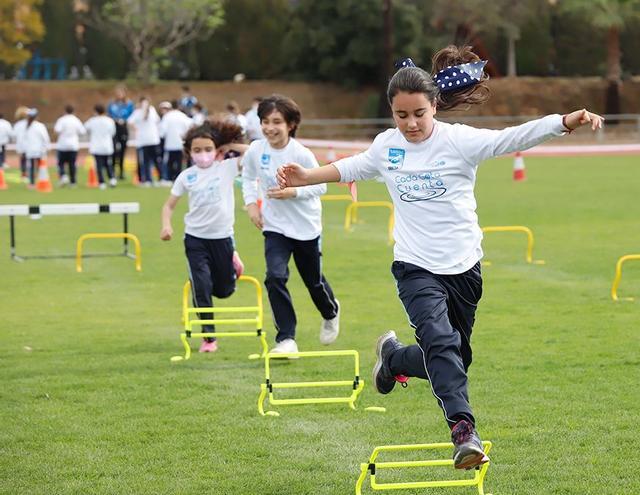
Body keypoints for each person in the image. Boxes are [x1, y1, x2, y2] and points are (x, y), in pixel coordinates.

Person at [274, 46, 604, 470]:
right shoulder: (387, 147)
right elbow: (352, 167)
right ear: (391, 113)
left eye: (418, 114)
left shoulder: (459, 141)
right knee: (442, 344)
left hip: (464, 266)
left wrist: (562, 122)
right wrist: (306, 177)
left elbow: (512, 137)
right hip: (415, 266)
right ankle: (464, 432)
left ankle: (393, 358)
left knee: (454, 358)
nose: (410, 124)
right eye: (400, 115)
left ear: (434, 107)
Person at [241, 95, 340, 356]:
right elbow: (248, 178)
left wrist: (293, 192)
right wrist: (252, 205)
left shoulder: (300, 153)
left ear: (291, 124)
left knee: (313, 282)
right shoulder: (255, 150)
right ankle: (286, 339)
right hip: (275, 227)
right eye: (264, 121)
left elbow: (322, 186)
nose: (269, 128)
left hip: (306, 227)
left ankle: (331, 311)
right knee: (274, 277)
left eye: (276, 122)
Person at [160, 120, 249, 353]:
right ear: (189, 153)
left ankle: (233, 261)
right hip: (195, 239)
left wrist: (229, 144)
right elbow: (169, 206)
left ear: (216, 150)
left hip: (222, 238)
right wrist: (166, 226)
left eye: (208, 149)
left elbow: (253, 152)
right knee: (201, 285)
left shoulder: (227, 168)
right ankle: (209, 339)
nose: (203, 154)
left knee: (223, 290)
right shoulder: (186, 176)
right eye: (197, 150)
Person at [128, 97, 162, 186]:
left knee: (154, 161)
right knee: (147, 162)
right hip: (143, 141)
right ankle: (148, 179)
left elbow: (157, 121)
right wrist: (135, 128)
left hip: (152, 140)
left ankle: (159, 178)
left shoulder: (151, 110)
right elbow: (130, 121)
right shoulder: (137, 112)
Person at [84, 104, 117, 189]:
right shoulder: (109, 120)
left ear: (95, 111)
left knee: (99, 165)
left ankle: (101, 182)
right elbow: (113, 133)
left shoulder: (92, 120)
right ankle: (112, 179)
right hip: (107, 146)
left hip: (96, 146)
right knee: (108, 164)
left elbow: (85, 128)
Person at [159, 100, 194, 181]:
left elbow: (162, 131)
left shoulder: (167, 116)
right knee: (179, 163)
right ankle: (178, 178)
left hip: (170, 144)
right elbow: (190, 126)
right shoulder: (183, 116)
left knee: (169, 163)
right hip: (180, 143)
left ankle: (170, 178)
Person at [54, 105, 86, 186]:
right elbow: (82, 131)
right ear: (73, 111)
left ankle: (63, 176)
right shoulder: (76, 120)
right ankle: (73, 182)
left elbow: (57, 130)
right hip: (73, 145)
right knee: (72, 163)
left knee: (61, 163)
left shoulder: (61, 120)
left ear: (65, 111)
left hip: (63, 145)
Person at [108, 86, 134, 181]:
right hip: (114, 128)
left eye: (121, 93)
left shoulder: (129, 104)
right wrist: (115, 120)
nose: (119, 95)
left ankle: (121, 172)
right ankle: (113, 171)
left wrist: (125, 120)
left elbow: (132, 115)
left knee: (123, 151)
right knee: (114, 150)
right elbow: (109, 114)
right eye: (118, 93)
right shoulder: (112, 104)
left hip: (123, 128)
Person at [22, 108, 50, 187]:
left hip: (31, 150)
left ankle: (32, 183)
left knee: (31, 167)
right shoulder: (39, 126)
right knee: (40, 167)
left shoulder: (27, 126)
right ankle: (39, 181)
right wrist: (47, 147)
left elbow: (24, 139)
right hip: (39, 150)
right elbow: (45, 138)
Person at [12, 106, 30, 179]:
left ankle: (24, 174)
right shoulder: (30, 123)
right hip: (29, 145)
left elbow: (14, 136)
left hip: (21, 145)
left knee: (23, 160)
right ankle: (29, 174)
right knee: (30, 160)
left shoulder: (17, 125)